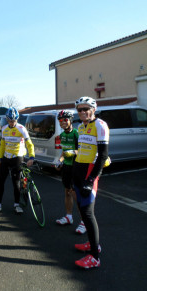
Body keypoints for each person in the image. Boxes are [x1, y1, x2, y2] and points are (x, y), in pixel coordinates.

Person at [72, 96, 109, 269]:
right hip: (78, 170)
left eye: (86, 109)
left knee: (87, 212)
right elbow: (82, 150)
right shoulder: (80, 126)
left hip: (89, 173)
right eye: (79, 109)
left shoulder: (100, 125)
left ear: (93, 109)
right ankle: (92, 243)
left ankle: (95, 256)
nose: (82, 112)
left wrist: (91, 178)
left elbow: (102, 155)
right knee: (81, 208)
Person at [0, 107, 35, 213]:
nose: (12, 123)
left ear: (17, 120)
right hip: (6, 157)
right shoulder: (4, 128)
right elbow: (2, 145)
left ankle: (17, 205)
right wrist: (0, 158)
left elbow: (29, 143)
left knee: (16, 182)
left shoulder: (21, 128)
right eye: (10, 120)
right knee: (0, 181)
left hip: (17, 157)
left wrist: (31, 156)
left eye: (14, 120)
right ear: (7, 119)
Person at [54, 110, 86, 234]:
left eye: (65, 120)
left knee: (75, 193)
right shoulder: (62, 136)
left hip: (76, 166)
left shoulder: (76, 134)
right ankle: (69, 217)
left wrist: (73, 152)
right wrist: (59, 161)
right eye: (60, 120)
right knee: (67, 191)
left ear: (71, 120)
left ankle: (84, 222)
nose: (63, 122)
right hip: (66, 167)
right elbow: (63, 152)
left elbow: (82, 151)